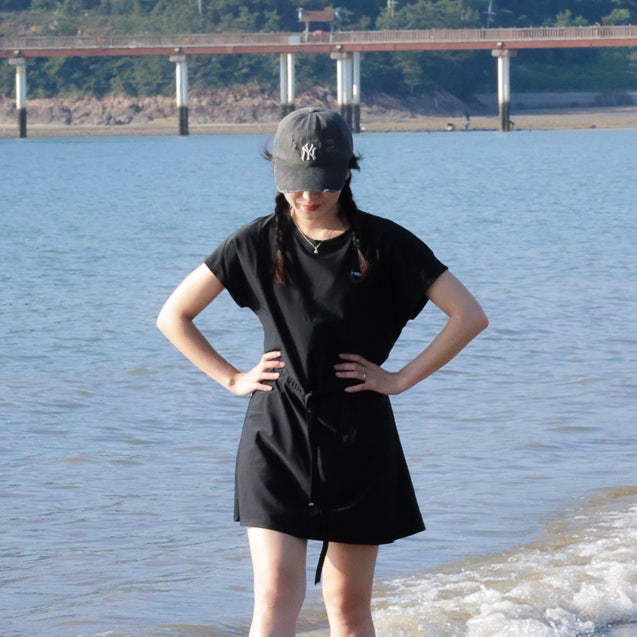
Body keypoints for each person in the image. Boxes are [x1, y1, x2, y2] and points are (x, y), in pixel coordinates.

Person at [157, 106, 488, 637]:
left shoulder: (384, 244)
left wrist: (398, 379)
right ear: (277, 173)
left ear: (347, 173)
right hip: (276, 439)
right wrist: (232, 378)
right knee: (275, 595)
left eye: (323, 183)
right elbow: (174, 316)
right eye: (296, 182)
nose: (308, 196)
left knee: (348, 608)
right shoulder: (255, 243)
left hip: (359, 441)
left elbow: (468, 315)